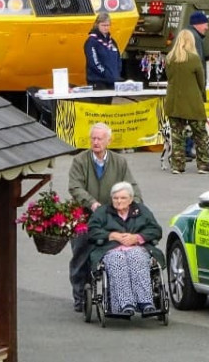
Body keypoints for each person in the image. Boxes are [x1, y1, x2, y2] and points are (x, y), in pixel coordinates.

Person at [68, 123, 143, 312]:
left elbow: (131, 186)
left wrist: (136, 206)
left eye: (100, 138)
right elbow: (75, 187)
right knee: (81, 251)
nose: (96, 142)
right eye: (93, 138)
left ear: (108, 141)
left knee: (117, 251)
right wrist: (92, 203)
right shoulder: (80, 161)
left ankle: (117, 293)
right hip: (85, 215)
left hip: (111, 216)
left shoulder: (119, 162)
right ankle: (79, 296)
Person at [87, 182, 164, 317]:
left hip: (138, 248)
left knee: (136, 257)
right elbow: (92, 231)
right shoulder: (102, 212)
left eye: (123, 198)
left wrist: (137, 237)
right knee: (118, 259)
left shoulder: (141, 211)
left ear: (131, 199)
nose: (119, 201)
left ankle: (145, 302)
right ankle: (124, 304)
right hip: (111, 250)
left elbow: (156, 230)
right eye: (115, 198)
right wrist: (110, 235)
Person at [164, 29, 209, 176]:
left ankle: (177, 165)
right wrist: (203, 97)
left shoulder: (170, 58)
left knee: (177, 135)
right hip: (192, 101)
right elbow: (201, 81)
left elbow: (169, 77)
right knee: (200, 134)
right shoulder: (194, 59)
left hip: (173, 101)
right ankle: (203, 164)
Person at [184, 10, 209, 160]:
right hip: (193, 89)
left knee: (185, 121)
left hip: (186, 88)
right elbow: (199, 65)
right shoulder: (195, 39)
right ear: (198, 24)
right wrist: (201, 87)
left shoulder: (187, 36)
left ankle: (185, 150)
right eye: (205, 23)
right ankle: (189, 150)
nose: (207, 26)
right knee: (194, 121)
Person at [84, 11, 122, 90]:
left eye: (108, 25)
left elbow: (118, 58)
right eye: (103, 25)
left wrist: (116, 73)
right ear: (97, 25)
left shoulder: (112, 41)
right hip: (98, 81)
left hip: (112, 80)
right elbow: (94, 62)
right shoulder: (92, 41)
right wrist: (105, 73)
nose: (106, 27)